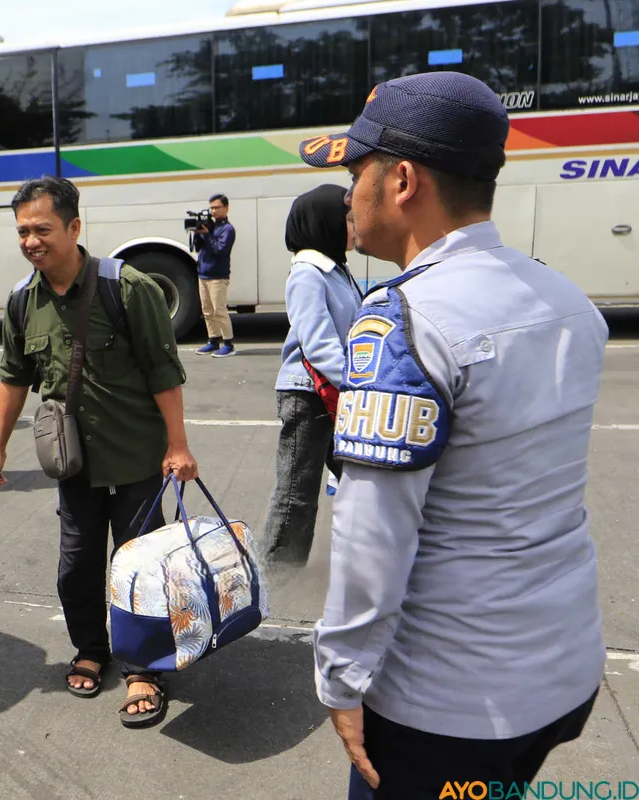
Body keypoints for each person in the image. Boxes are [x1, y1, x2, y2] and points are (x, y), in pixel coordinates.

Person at [299, 73, 607, 798]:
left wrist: (341, 680)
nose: (346, 196)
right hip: (561, 669)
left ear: (401, 180)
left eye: (354, 172)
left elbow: (373, 540)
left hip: (447, 705)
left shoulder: (403, 322)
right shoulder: (568, 301)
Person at [0, 176, 198, 728]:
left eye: (43, 229)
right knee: (75, 570)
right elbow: (14, 377)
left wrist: (178, 445)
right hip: (73, 465)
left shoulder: (126, 287)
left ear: (75, 227)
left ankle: (144, 667)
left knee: (142, 570)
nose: (31, 241)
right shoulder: (21, 301)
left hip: (137, 460)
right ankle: (90, 649)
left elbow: (163, 372)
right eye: (23, 231)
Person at [263, 185, 363, 568]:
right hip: (308, 393)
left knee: (364, 480)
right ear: (325, 224)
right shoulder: (307, 274)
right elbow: (319, 344)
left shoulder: (338, 270)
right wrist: (358, 385)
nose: (354, 227)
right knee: (295, 494)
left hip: (334, 390)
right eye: (348, 220)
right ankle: (275, 580)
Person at [193, 193, 236, 358]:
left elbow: (220, 249)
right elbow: (198, 248)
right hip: (203, 273)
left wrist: (206, 234)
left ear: (226, 208)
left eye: (217, 207)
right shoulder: (210, 226)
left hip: (218, 275)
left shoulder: (228, 229)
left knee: (219, 310)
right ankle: (212, 340)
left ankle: (228, 343)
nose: (213, 211)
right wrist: (198, 234)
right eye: (211, 207)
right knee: (207, 310)